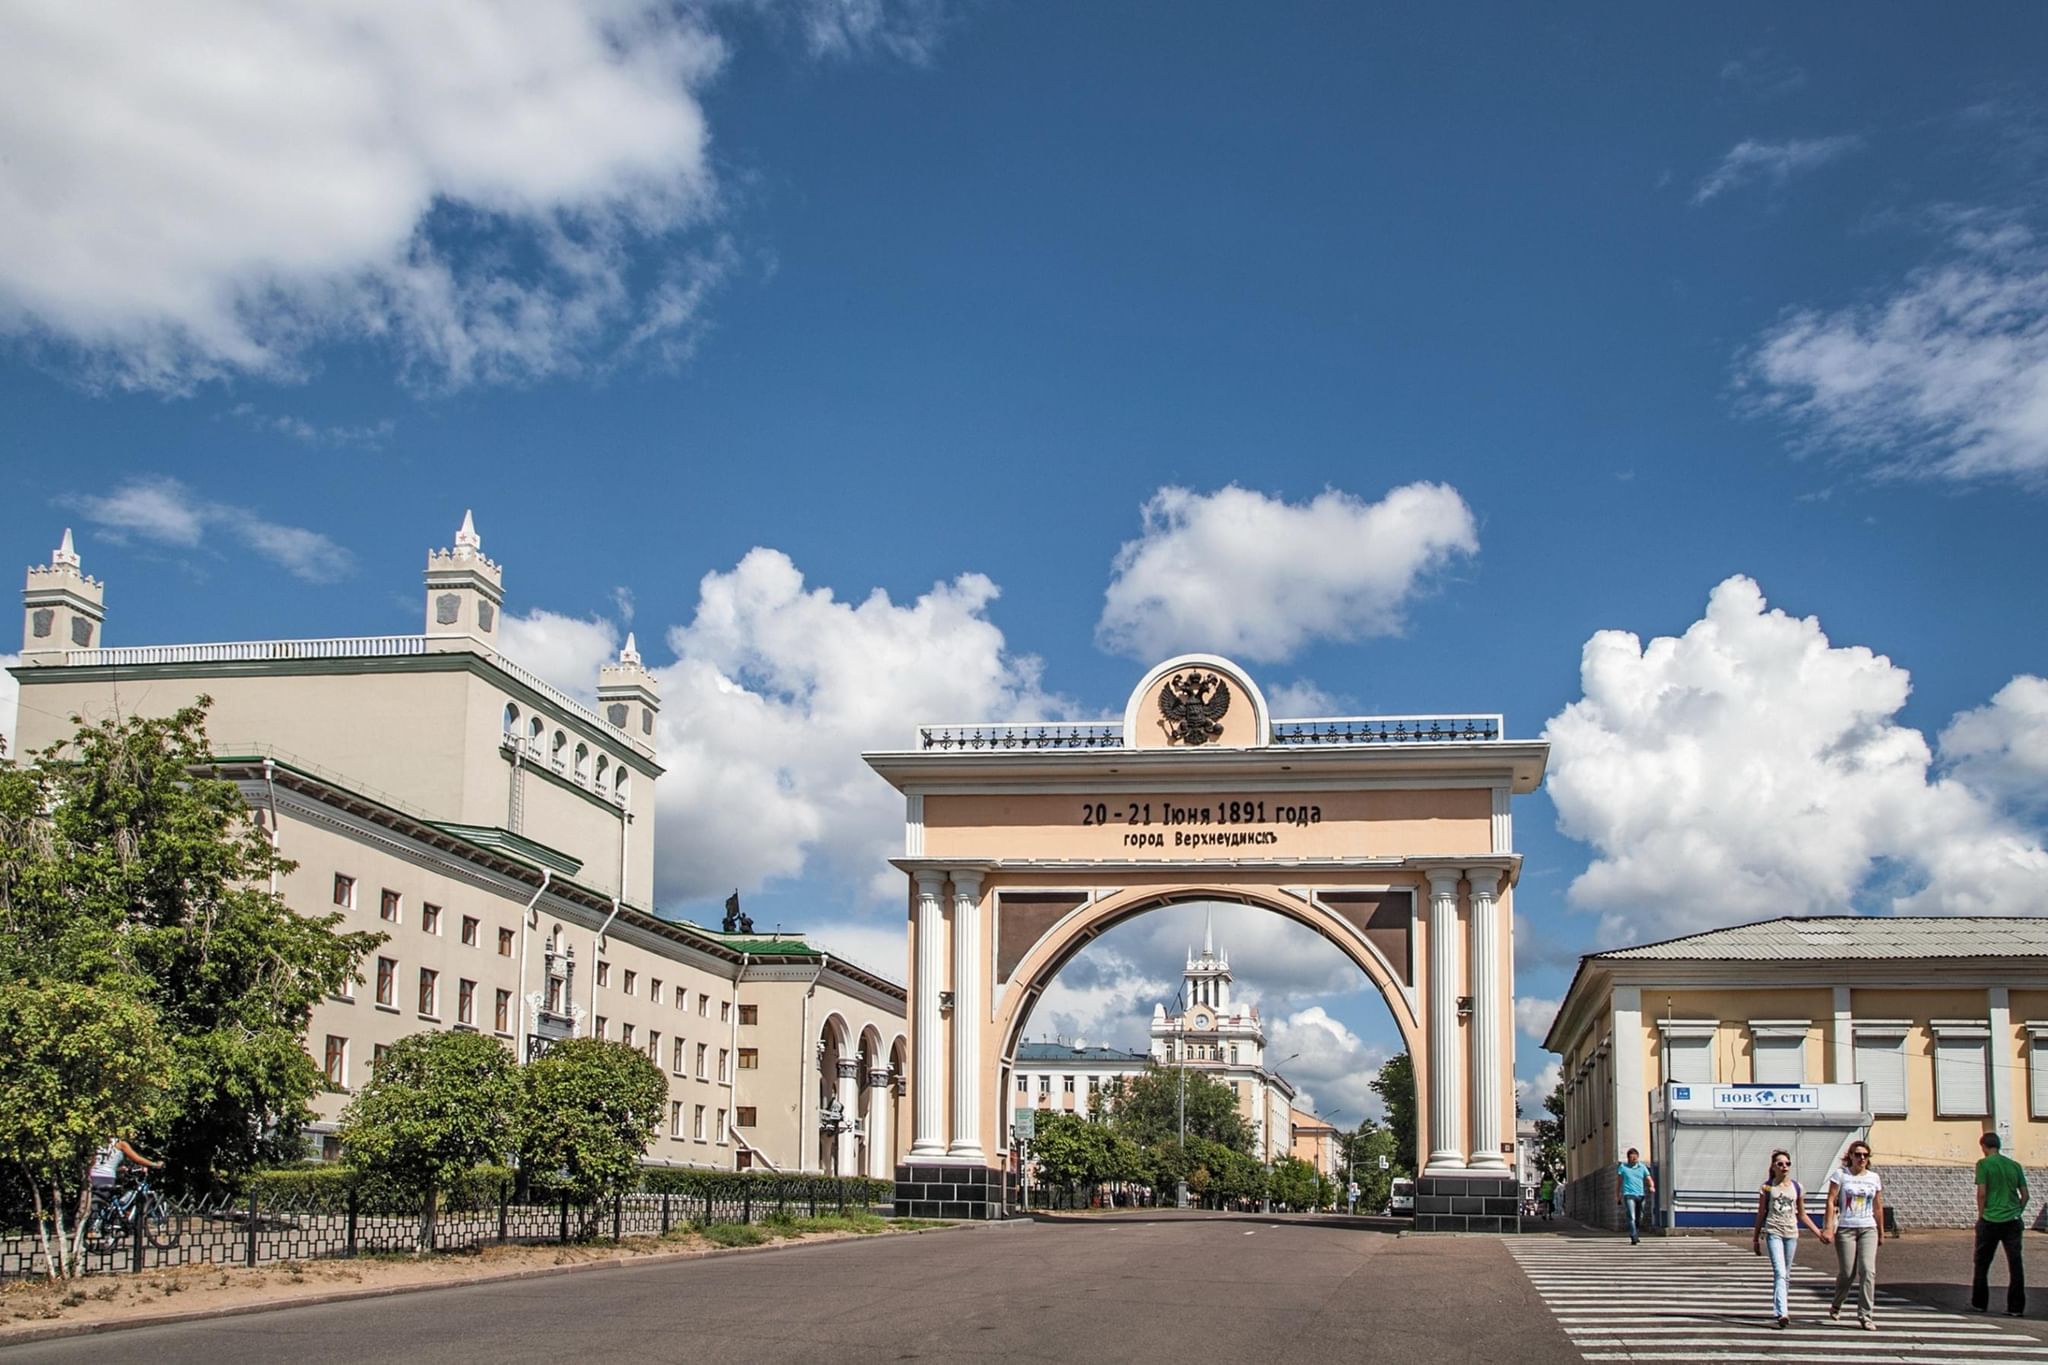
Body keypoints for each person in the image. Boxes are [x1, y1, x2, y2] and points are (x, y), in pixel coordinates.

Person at [1752, 1149, 1829, 1329]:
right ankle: (1782, 1312)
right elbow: (1760, 1213)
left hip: (1791, 1234)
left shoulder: (1797, 1187)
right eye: (1780, 1163)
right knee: (1779, 1272)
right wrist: (1756, 1238)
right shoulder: (1767, 1187)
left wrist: (1819, 1234)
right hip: (1774, 1232)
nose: (1784, 1166)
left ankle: (1780, 1307)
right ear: (1773, 1166)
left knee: (1786, 1274)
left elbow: (1802, 1214)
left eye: (1787, 1163)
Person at [1825, 1140, 1884, 1330]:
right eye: (1858, 1154)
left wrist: (1881, 1231)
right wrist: (1828, 1227)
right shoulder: (1841, 1175)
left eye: (1865, 1155)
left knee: (1868, 1270)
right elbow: (1831, 1201)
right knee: (1847, 1273)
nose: (1862, 1158)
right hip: (1846, 1228)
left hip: (1868, 1228)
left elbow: (1878, 1206)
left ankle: (1866, 1315)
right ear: (1850, 1156)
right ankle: (1837, 1303)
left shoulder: (1873, 1177)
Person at [1973, 1131, 2028, 1317]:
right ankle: (2016, 1307)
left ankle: (1979, 1303)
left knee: (1982, 1263)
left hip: (1990, 1219)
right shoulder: (2014, 1166)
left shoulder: (1983, 1164)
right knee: (2015, 1264)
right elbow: (2025, 1195)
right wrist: (2017, 1211)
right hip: (2012, 1220)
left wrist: (1981, 1215)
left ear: (1984, 1146)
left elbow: (1982, 1193)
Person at [88, 1136, 160, 1207]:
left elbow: (98, 1164)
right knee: (101, 1207)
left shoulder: (99, 1142)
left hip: (93, 1176)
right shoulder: (120, 1144)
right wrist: (155, 1164)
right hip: (107, 1178)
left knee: (97, 1205)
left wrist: (118, 1169)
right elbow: (137, 1159)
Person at [1616, 1147, 1655, 1244]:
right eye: (1632, 1158)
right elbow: (1619, 1182)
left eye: (1636, 1158)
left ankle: (1636, 1233)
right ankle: (1633, 1236)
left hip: (1640, 1195)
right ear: (1628, 1158)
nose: (1634, 1160)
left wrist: (1651, 1186)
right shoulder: (1623, 1168)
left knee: (1639, 1217)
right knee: (1631, 1217)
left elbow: (1649, 1178)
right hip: (1629, 1195)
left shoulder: (1642, 1167)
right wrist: (1617, 1195)